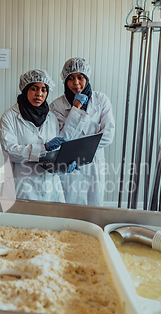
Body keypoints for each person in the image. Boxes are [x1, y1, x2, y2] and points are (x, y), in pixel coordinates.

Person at [0, 69, 76, 203]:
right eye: (34, 88)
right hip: (22, 187)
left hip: (50, 188)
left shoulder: (51, 117)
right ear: (25, 89)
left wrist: (64, 163)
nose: (39, 94)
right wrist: (43, 147)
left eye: (44, 90)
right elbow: (10, 152)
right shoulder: (10, 117)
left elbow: (53, 154)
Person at [50, 58, 115, 206]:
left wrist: (80, 149)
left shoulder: (101, 100)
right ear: (65, 81)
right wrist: (76, 108)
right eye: (71, 78)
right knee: (69, 209)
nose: (76, 83)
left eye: (80, 77)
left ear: (87, 78)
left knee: (94, 207)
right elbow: (62, 138)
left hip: (94, 164)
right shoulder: (57, 106)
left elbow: (108, 135)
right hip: (70, 167)